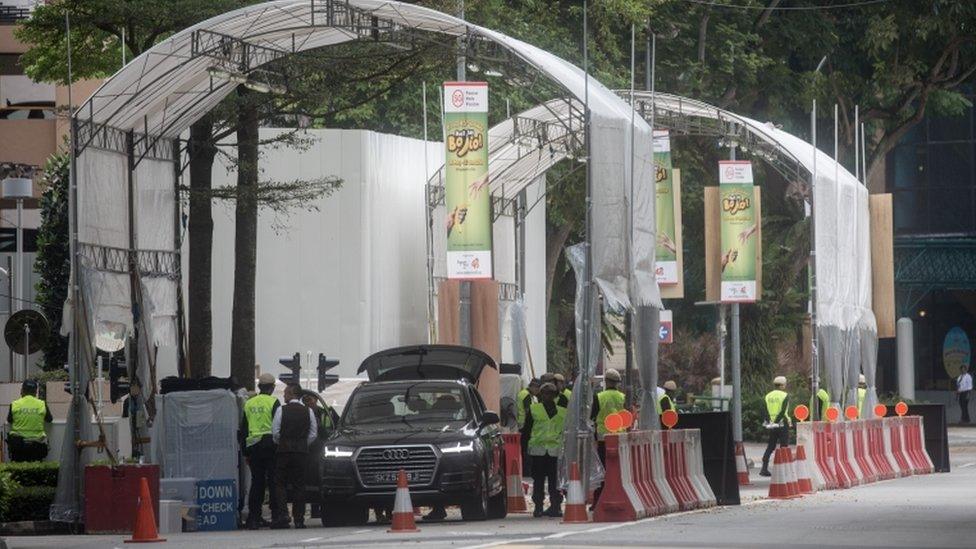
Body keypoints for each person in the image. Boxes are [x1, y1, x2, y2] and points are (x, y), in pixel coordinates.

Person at [271, 384, 317, 529]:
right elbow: (313, 433)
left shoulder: (281, 410)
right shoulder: (308, 411)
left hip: (284, 452)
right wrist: (303, 444)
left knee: (280, 484)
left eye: (285, 393)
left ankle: (284, 514)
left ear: (291, 393)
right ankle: (299, 519)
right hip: (301, 453)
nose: (283, 396)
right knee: (299, 485)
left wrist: (282, 443)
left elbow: (275, 432)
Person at [240, 374, 281, 529]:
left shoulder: (249, 404)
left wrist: (245, 451)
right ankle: (276, 515)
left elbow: (244, 429)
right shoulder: (274, 402)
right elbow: (278, 426)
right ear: (272, 387)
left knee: (257, 483)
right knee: (273, 481)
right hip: (270, 446)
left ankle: (254, 518)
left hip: (253, 447)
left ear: (259, 387)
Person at [521, 382, 566, 518]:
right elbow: (527, 431)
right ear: (541, 395)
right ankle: (539, 507)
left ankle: (555, 506)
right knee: (539, 481)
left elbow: (565, 432)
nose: (548, 396)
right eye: (545, 393)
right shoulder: (534, 410)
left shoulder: (563, 412)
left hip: (554, 452)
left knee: (554, 482)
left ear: (554, 396)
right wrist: (524, 450)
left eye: (550, 394)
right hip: (538, 451)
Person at [591, 369, 625, 504]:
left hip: (603, 438)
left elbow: (592, 416)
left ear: (607, 381)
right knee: (618, 470)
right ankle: (618, 496)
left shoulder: (599, 397)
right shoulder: (623, 397)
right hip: (619, 438)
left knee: (603, 470)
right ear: (617, 383)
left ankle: (598, 500)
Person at [7, 379, 52, 462]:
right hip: (37, 446)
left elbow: (9, 420)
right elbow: (49, 420)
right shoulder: (42, 404)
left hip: (18, 446)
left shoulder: (14, 404)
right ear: (35, 392)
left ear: (22, 391)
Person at [760, 376, 791, 477]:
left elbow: (765, 411)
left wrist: (771, 422)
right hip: (782, 423)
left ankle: (764, 469)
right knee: (784, 446)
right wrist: (777, 421)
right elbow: (783, 411)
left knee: (770, 446)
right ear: (782, 385)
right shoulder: (785, 395)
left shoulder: (768, 396)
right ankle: (784, 470)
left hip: (771, 425)